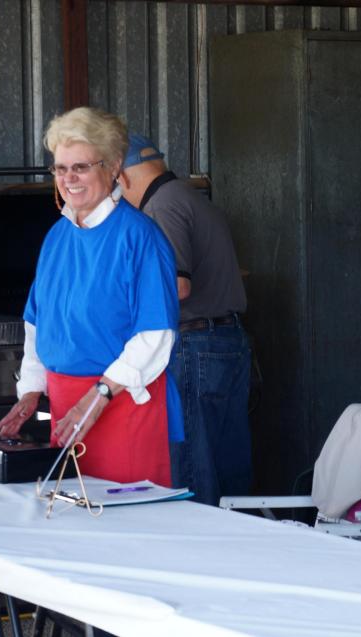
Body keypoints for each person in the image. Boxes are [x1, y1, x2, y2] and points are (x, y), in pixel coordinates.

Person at [0, 109, 181, 488]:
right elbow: (37, 325)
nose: (68, 179)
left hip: (123, 406)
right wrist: (31, 390)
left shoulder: (140, 237)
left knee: (125, 529)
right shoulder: (57, 238)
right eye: (60, 169)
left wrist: (97, 397)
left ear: (112, 167)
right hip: (67, 412)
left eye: (80, 167)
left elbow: (155, 335)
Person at [117, 134, 252, 506]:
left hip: (194, 346)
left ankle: (202, 555)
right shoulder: (189, 196)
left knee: (193, 467)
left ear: (123, 177)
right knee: (228, 467)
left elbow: (177, 286)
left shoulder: (161, 206)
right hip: (225, 342)